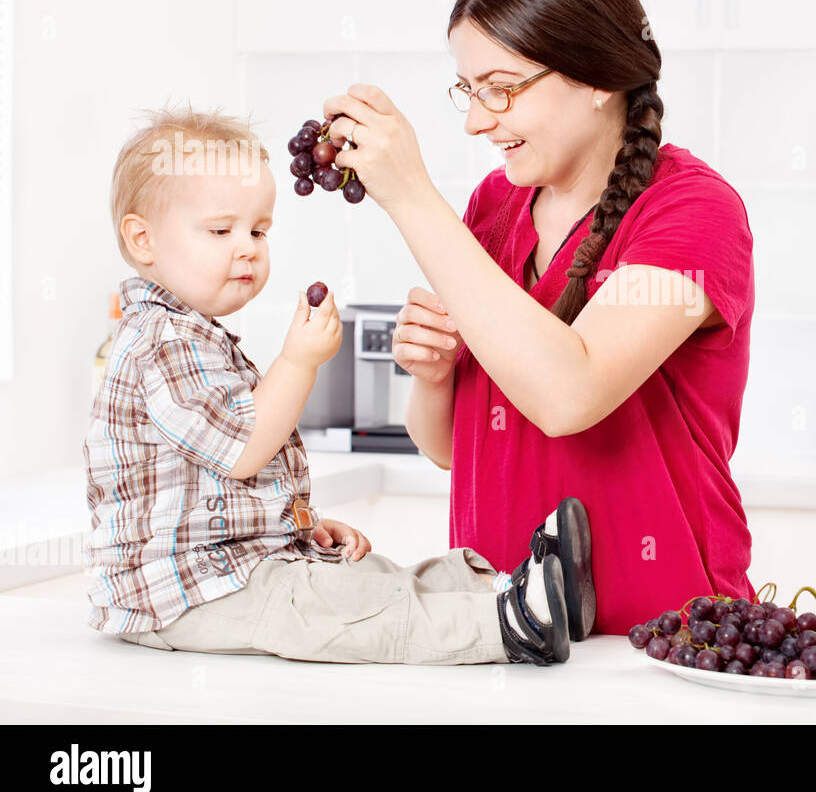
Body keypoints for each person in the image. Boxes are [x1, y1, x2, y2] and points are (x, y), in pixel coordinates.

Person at [320, 0, 756, 635]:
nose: (476, 119)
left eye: (502, 88)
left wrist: (410, 197)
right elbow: (451, 450)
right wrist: (432, 377)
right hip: (499, 629)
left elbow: (567, 395)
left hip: (664, 639)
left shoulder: (693, 212)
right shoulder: (493, 207)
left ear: (597, 79)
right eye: (468, 89)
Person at [83, 106, 589, 666]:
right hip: (181, 592)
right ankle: (509, 625)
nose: (248, 247)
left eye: (259, 230)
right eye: (222, 230)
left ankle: (504, 587)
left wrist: (296, 526)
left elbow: (217, 489)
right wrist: (298, 362)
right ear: (143, 239)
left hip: (229, 569)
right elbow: (246, 449)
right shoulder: (161, 341)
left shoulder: (192, 335)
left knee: (366, 580)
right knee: (325, 608)